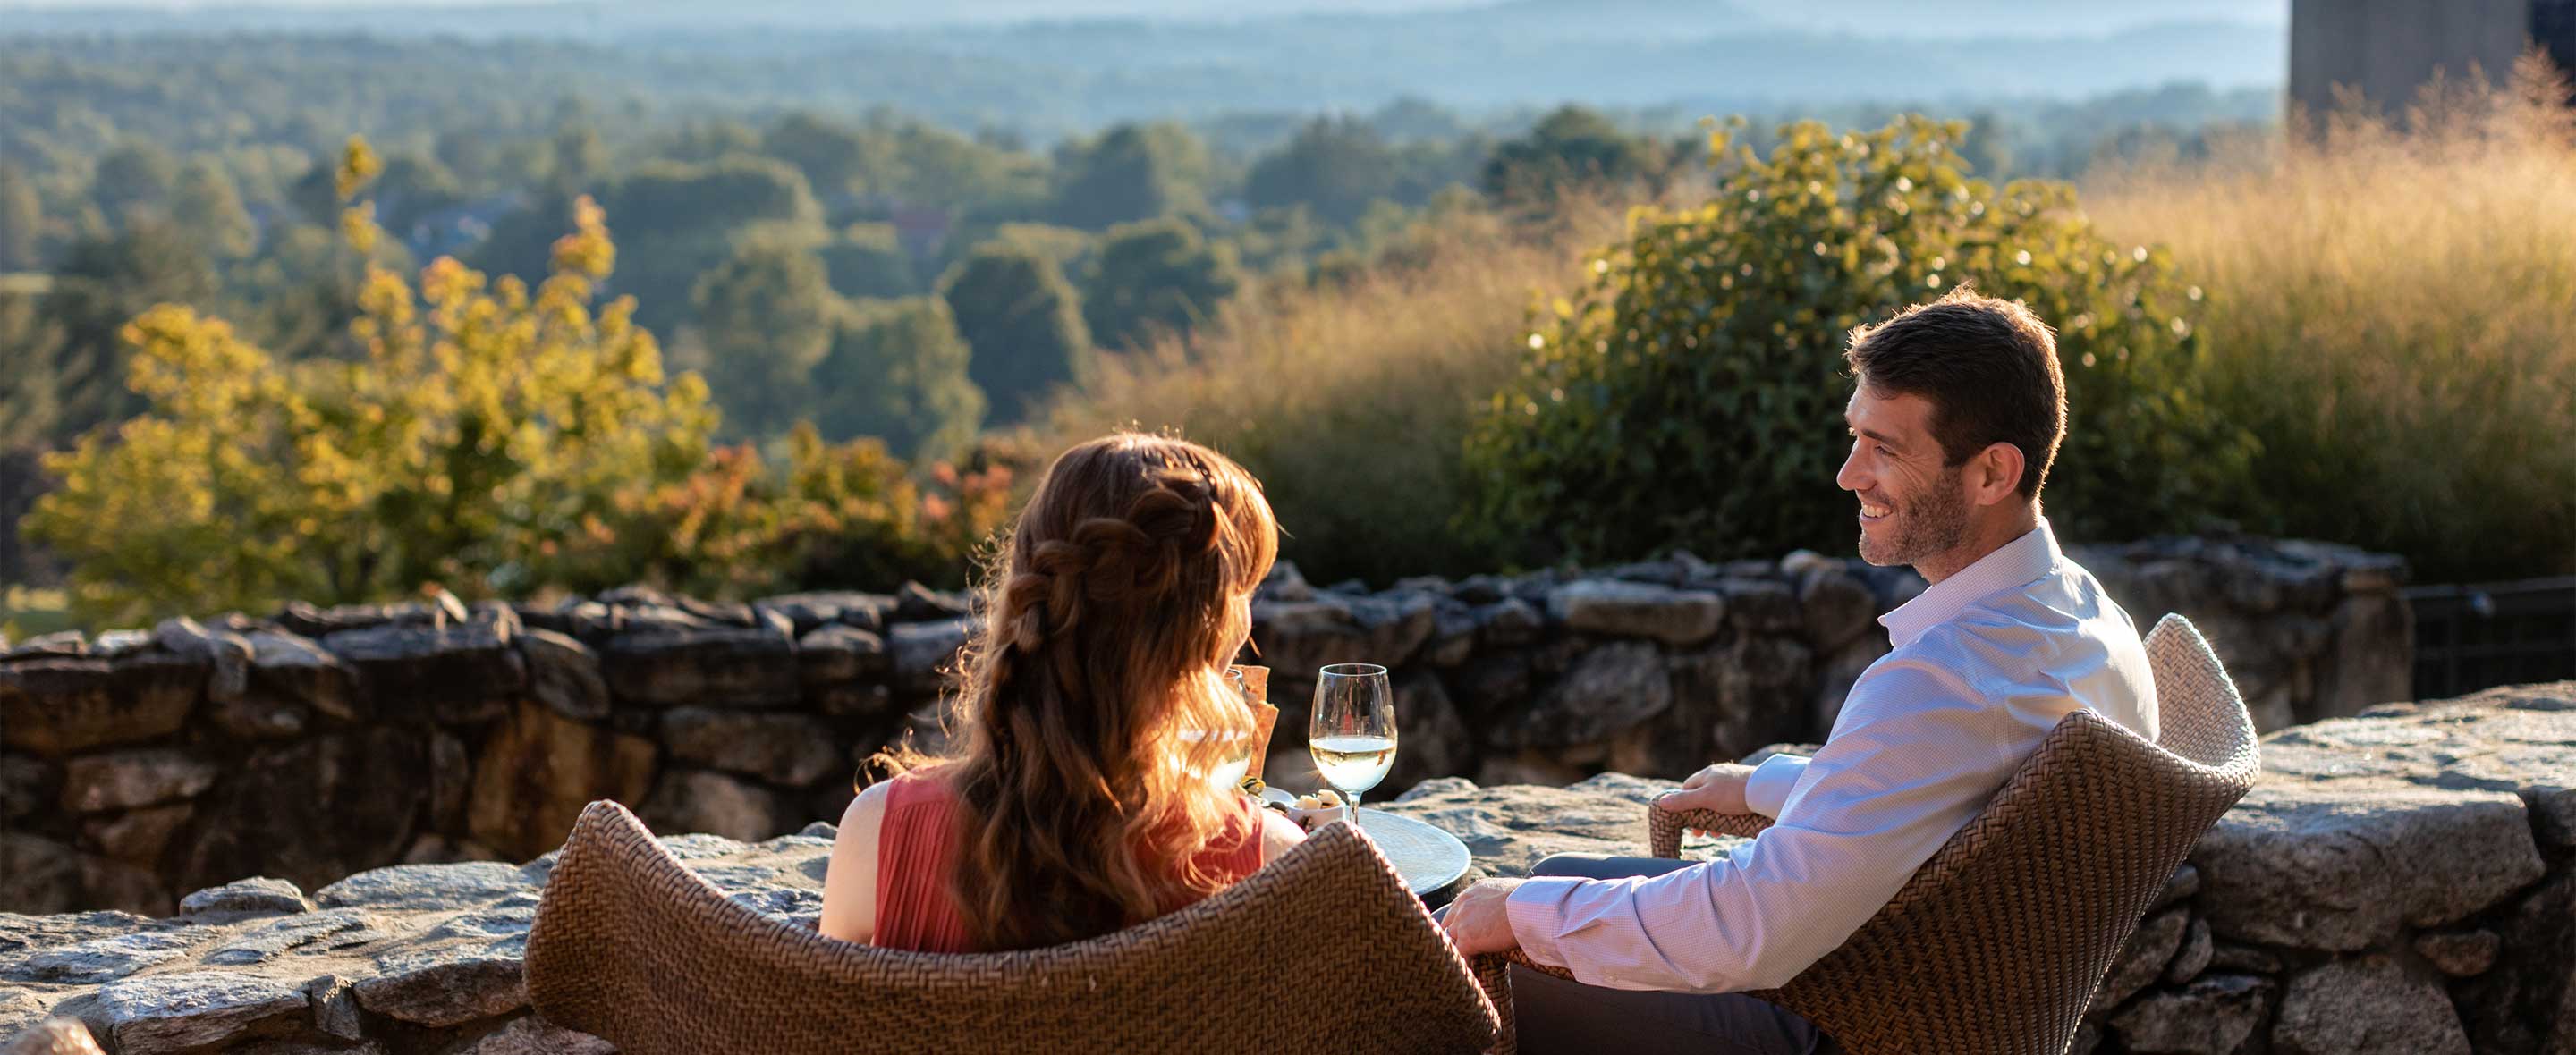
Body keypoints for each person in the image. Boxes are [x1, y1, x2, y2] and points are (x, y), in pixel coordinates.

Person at [1439, 288, 2161, 1053]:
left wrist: (1519, 916)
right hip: (1922, 984)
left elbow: (1747, 929)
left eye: (1885, 447)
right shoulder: (2086, 619)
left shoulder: (1949, 682)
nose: (1849, 475)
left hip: (1848, 1022)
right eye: (1854, 437)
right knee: (1556, 873)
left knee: (1476, 966)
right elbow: (1949, 795)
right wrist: (1770, 783)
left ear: (1992, 473)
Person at [818, 433, 1307, 952]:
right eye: (1242, 593)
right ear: (1203, 633)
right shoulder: (1267, 862)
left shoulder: (878, 832)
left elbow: (833, 1019)